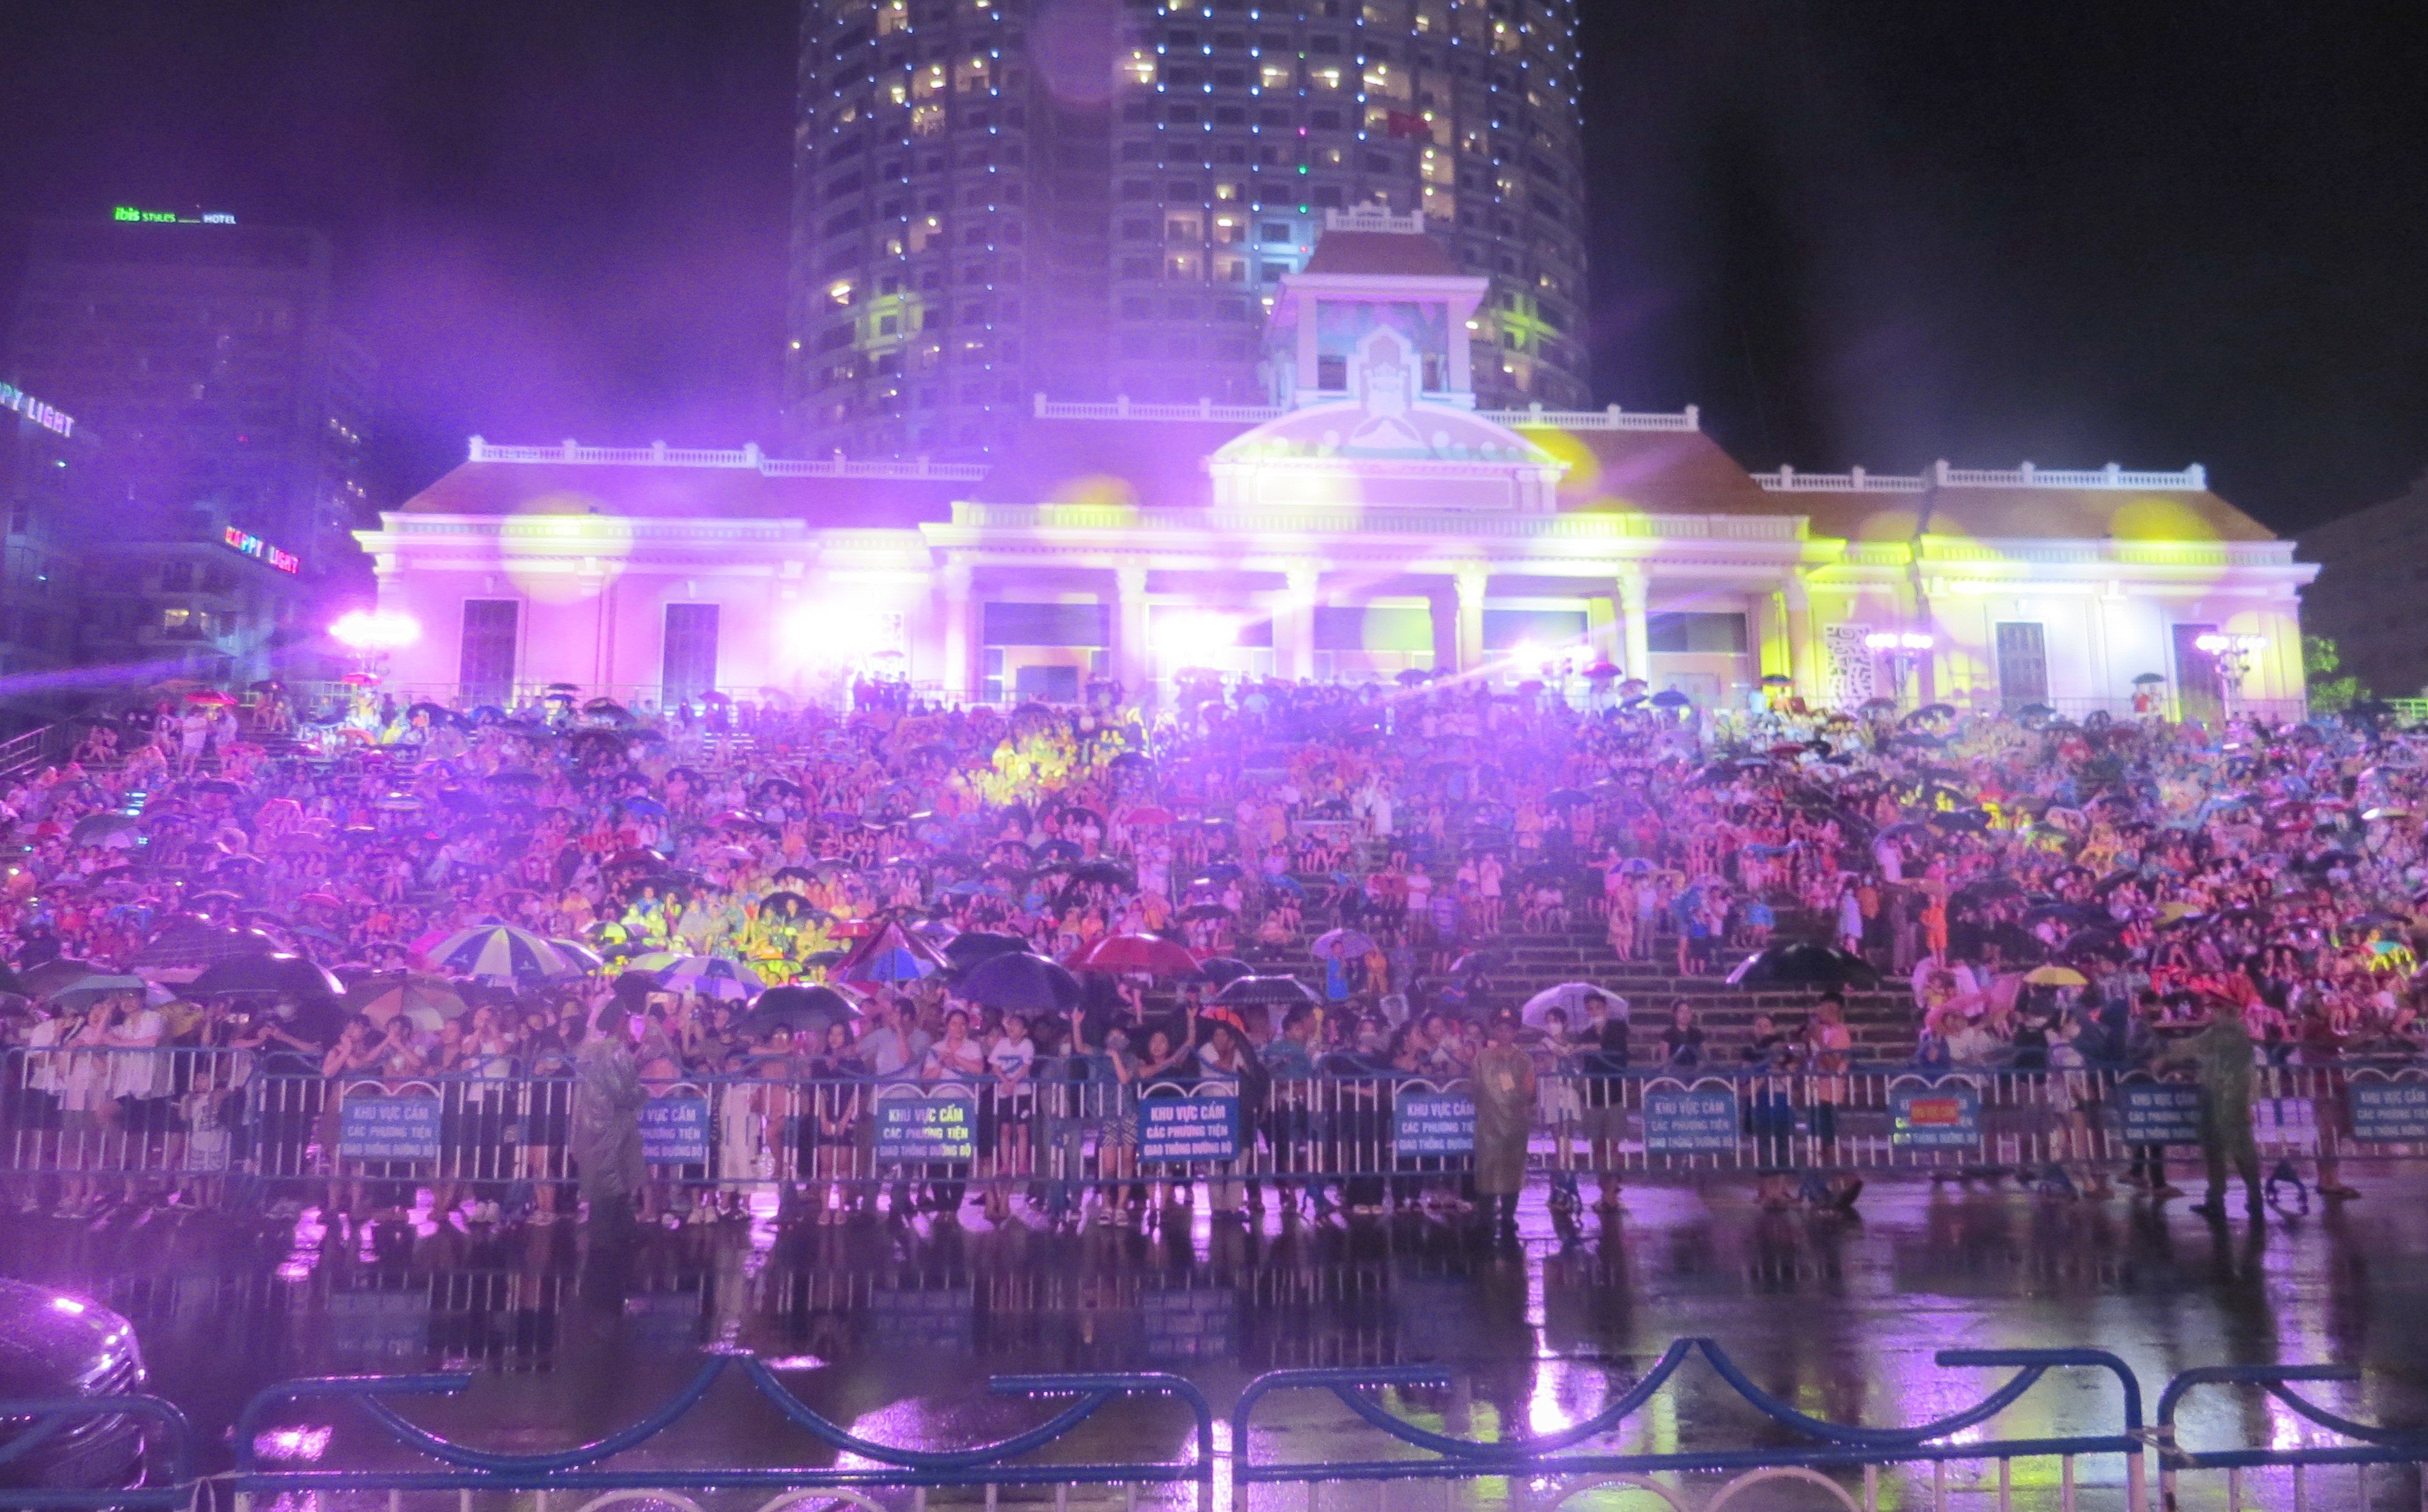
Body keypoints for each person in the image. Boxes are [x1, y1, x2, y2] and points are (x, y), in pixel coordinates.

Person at [2166, 995, 2264, 1219]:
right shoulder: (2224, 1033)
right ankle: (2223, 1199)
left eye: (2215, 1009)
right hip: (2217, 1098)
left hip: (2228, 1100)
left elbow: (2246, 1073)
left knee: (2236, 1151)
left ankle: (2237, 1198)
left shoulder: (2229, 1034)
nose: (2211, 1013)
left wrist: (2164, 1047)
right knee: (2219, 1151)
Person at [570, 1001, 647, 1228]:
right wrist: (641, 1094)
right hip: (609, 1125)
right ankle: (609, 1237)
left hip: (596, 1123)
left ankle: (620, 1230)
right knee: (611, 1181)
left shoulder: (595, 1050)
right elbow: (621, 1092)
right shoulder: (615, 1051)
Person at [1469, 1012, 1535, 1238]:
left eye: (1509, 1029)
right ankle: (1486, 1215)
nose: (1504, 1033)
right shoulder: (1482, 1058)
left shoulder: (1524, 1059)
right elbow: (1476, 1089)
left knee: (1512, 1167)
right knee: (1487, 1168)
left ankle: (1508, 1215)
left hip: (1515, 1123)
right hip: (1488, 1123)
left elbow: (1529, 1090)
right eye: (1500, 1028)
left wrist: (1512, 1097)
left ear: (1515, 1031)